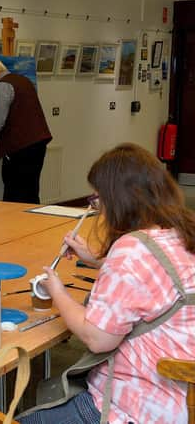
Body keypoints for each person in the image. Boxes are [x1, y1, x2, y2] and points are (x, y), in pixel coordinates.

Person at [19, 143, 195, 424]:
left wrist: (58, 292)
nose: (97, 209)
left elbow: (96, 338)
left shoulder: (131, 250)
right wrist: (98, 260)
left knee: (26, 419)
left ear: (119, 200)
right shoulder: (180, 233)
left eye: (98, 200)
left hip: (135, 407)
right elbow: (156, 278)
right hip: (182, 399)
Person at [0, 60, 52, 204]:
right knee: (30, 191)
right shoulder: (23, 81)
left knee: (15, 193)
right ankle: (33, 224)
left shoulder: (2, 86)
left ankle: (15, 224)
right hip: (38, 143)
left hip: (20, 148)